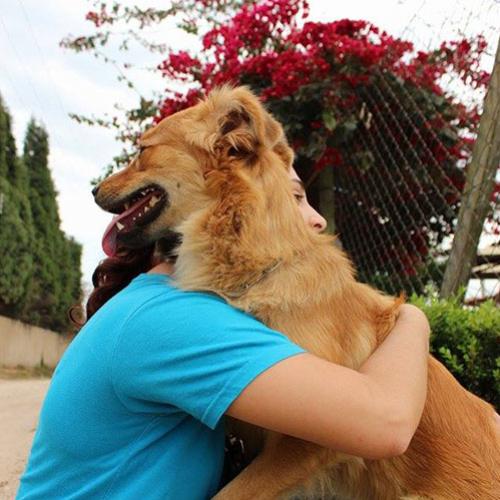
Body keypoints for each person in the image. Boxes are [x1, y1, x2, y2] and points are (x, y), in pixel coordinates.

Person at [17, 167, 430, 500]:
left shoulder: (157, 304)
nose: (318, 219)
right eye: (294, 197)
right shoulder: (177, 319)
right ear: (233, 204)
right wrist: (412, 317)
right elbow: (387, 423)